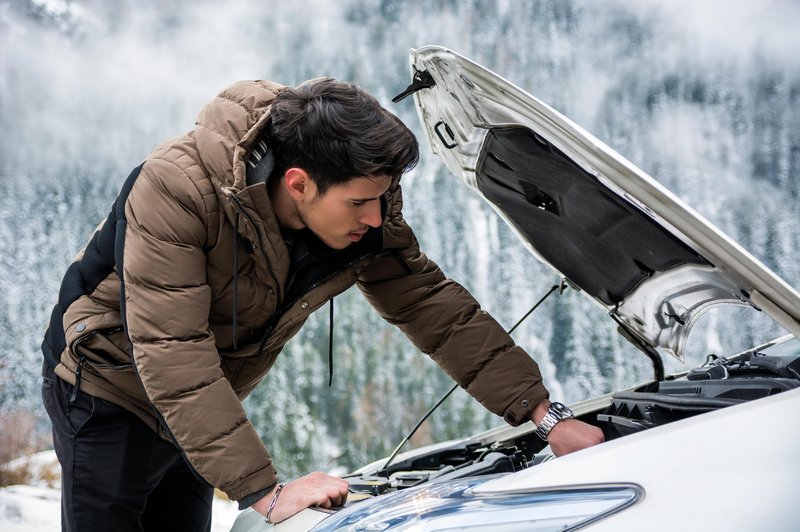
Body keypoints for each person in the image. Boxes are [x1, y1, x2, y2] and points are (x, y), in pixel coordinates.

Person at [41, 78, 604, 531]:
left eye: (382, 199)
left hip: (201, 397)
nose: (376, 219)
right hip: (105, 387)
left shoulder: (359, 193)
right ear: (299, 184)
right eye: (361, 203)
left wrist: (543, 414)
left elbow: (431, 305)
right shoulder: (177, 189)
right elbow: (172, 351)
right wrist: (267, 492)